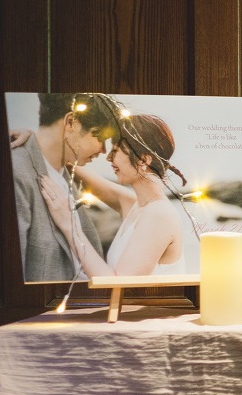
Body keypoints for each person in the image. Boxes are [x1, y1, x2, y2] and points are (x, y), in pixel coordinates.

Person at [39, 114, 188, 278]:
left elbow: (118, 284)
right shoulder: (136, 205)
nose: (109, 158)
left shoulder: (159, 215)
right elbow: (82, 176)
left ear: (143, 160)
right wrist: (35, 141)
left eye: (115, 150)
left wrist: (69, 225)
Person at [11, 93, 122, 282]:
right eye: (100, 137)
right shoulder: (18, 174)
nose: (104, 151)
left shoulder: (65, 175)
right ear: (71, 122)